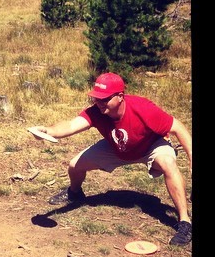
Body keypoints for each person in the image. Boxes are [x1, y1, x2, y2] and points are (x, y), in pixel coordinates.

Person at [31, 72, 192, 246]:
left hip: (150, 146)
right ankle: (74, 192)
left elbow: (178, 128)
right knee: (74, 165)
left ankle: (185, 222)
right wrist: (48, 131)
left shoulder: (143, 108)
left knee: (168, 163)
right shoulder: (96, 112)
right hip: (117, 147)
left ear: (120, 97)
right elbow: (70, 125)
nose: (99, 103)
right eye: (96, 99)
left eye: (104, 99)